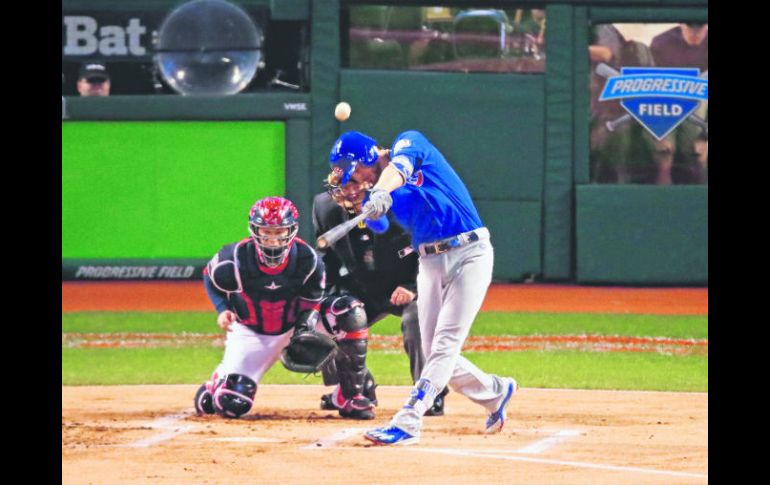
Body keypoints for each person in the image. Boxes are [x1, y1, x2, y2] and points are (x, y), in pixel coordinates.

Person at [327, 131, 518, 446]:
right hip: (429, 262)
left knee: (445, 343)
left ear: (367, 156)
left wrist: (380, 191)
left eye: (357, 170)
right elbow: (381, 225)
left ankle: (409, 420)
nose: (357, 178)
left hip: (469, 253)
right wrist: (369, 209)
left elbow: (399, 169)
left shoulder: (408, 143)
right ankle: (495, 391)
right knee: (432, 352)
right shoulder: (377, 191)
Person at [194, 196, 374, 420]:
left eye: (279, 232)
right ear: (254, 230)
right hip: (252, 332)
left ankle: (350, 395)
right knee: (230, 405)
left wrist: (304, 329)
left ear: (291, 230)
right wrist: (222, 308)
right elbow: (209, 276)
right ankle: (218, 382)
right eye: (266, 232)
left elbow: (313, 300)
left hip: (293, 324)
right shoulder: (234, 257)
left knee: (349, 310)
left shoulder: (307, 258)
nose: (272, 239)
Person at [312, 170, 449, 419]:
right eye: (342, 186)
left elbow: (431, 252)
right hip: (362, 287)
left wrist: (412, 286)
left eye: (355, 184)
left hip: (406, 284)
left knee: (416, 318)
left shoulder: (402, 203)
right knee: (325, 316)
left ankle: (430, 391)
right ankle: (354, 387)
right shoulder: (325, 207)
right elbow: (326, 261)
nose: (349, 192)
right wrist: (322, 301)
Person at [649, 23, 708, 184]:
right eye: (690, 29)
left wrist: (705, 137)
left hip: (700, 110)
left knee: (699, 155)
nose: (695, 35)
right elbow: (650, 90)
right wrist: (659, 131)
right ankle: (663, 191)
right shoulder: (661, 43)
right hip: (666, 105)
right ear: (681, 25)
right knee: (663, 153)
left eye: (700, 30)